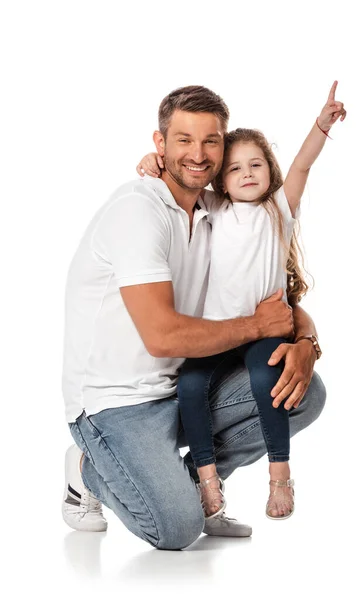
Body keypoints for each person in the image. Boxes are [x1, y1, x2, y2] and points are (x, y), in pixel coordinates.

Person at [62, 85, 327, 550]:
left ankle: (198, 488)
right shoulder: (138, 211)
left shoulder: (215, 211)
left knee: (301, 391)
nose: (198, 154)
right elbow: (164, 337)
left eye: (211, 141)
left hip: (177, 389)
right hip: (115, 405)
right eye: (183, 139)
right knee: (177, 531)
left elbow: (265, 296)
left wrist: (306, 341)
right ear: (160, 145)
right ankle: (89, 468)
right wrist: (258, 328)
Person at [136, 82, 346, 520]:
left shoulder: (278, 210)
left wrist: (320, 127)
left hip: (265, 331)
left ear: (269, 170)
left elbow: (303, 167)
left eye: (255, 164)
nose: (247, 173)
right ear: (221, 181)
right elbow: (179, 182)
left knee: (266, 379)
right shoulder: (215, 207)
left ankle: (279, 474)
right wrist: (152, 163)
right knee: (190, 388)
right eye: (234, 169)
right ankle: (207, 478)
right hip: (218, 329)